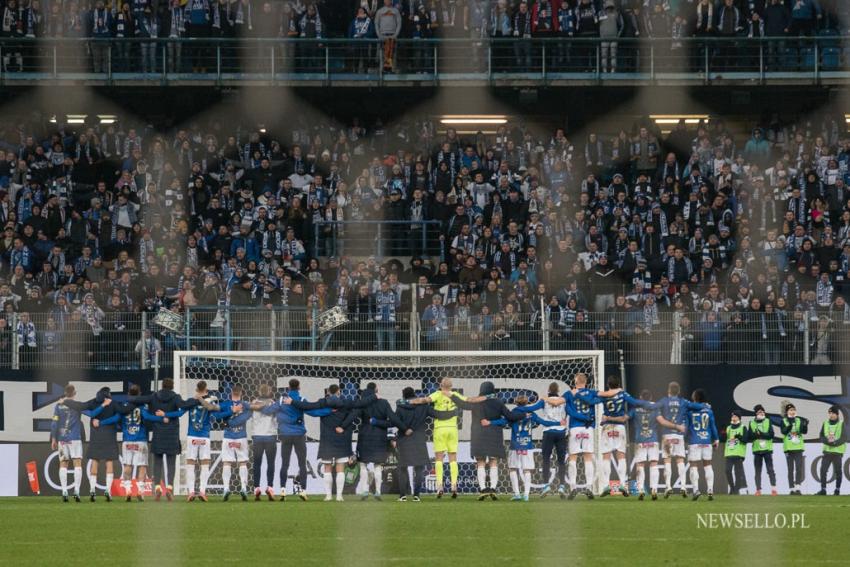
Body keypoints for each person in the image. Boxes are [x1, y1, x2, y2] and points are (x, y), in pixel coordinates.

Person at [93, 384, 178, 502]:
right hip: (140, 441)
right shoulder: (142, 407)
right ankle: (140, 491)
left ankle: (128, 489)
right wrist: (161, 418)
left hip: (127, 441)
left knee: (128, 466)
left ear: (129, 394)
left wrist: (101, 422)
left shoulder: (123, 407)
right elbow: (148, 417)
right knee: (142, 466)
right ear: (139, 395)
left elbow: (115, 418)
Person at [127, 378, 203, 501]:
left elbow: (138, 400)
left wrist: (130, 398)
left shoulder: (153, 397)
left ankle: (157, 487)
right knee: (171, 463)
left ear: (162, 386)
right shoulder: (176, 397)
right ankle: (169, 488)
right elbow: (183, 406)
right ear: (172, 386)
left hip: (158, 433)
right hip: (172, 433)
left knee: (157, 463)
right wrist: (196, 400)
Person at [284, 385, 358, 502]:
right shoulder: (346, 402)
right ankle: (339, 496)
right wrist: (343, 426)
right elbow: (356, 411)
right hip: (342, 438)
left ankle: (328, 496)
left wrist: (292, 401)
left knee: (327, 468)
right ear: (339, 392)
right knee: (340, 469)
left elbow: (307, 406)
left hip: (327, 439)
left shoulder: (323, 402)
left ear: (328, 392)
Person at [484, 395, 563, 501]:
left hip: (515, 445)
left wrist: (490, 422)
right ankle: (526, 495)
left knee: (513, 469)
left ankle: (517, 494)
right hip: (528, 445)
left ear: (516, 403)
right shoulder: (531, 414)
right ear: (527, 403)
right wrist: (558, 423)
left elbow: (503, 422)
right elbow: (544, 422)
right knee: (527, 470)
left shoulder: (513, 413)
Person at [260, 378, 327, 500]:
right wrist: (328, 411)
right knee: (302, 463)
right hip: (299, 435)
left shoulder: (281, 400)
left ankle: (283, 491)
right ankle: (303, 491)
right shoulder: (301, 400)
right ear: (299, 387)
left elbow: (268, 411)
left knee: (285, 463)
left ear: (289, 387)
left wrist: (259, 406)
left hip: (285, 435)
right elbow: (313, 413)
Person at [450, 381, 517, 500]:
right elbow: (510, 417)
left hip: (478, 434)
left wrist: (451, 395)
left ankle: (482, 489)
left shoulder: (477, 402)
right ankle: (493, 488)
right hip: (494, 434)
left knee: (480, 462)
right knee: (493, 461)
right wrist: (523, 415)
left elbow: (462, 404)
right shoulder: (498, 402)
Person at [542, 372, 603, 499]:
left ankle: (573, 488)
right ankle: (589, 487)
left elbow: (557, 402)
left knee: (573, 458)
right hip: (588, 428)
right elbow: (601, 398)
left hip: (575, 428)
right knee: (588, 457)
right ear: (586, 382)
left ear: (575, 382)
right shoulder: (591, 392)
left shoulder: (569, 393)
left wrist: (544, 398)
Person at [595, 376, 654, 497]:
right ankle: (622, 483)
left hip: (607, 427)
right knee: (621, 455)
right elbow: (635, 402)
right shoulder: (623, 394)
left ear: (608, 385)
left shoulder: (604, 395)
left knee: (606, 456)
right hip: (619, 427)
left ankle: (606, 484)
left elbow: (593, 401)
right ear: (619, 385)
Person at [394, 387, 456, 502]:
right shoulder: (423, 406)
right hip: (419, 440)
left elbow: (395, 421)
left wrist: (404, 429)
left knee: (402, 468)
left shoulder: (400, 408)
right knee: (419, 468)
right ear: (415, 395)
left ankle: (402, 495)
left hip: (403, 440)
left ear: (404, 396)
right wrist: (453, 412)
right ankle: (417, 495)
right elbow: (438, 414)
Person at [410, 377, 468, 498]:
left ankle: (440, 486)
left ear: (441, 386)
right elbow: (467, 401)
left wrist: (413, 401)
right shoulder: (455, 395)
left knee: (439, 459)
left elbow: (426, 400)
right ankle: (453, 485)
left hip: (440, 429)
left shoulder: (437, 394)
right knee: (453, 458)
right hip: (452, 428)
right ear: (451, 387)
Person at [60, 387, 120, 502]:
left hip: (96, 436)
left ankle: (92, 490)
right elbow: (118, 416)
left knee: (95, 461)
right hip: (109, 436)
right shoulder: (113, 403)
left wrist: (66, 401)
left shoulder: (93, 402)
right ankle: (108, 490)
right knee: (109, 462)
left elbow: (81, 406)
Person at [50, 385, 109, 502]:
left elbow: (54, 423)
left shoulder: (58, 406)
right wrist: (103, 405)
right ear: (74, 393)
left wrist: (53, 438)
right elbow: (92, 414)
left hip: (62, 439)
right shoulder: (78, 406)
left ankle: (64, 491)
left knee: (63, 464)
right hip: (75, 438)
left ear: (65, 393)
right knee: (77, 463)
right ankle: (76, 491)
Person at [512, 382, 568, 498]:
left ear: (548, 390)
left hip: (548, 432)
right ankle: (562, 486)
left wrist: (518, 408)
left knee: (546, 459)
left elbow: (531, 408)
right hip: (561, 432)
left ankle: (546, 485)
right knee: (561, 460)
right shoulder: (563, 401)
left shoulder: (544, 400)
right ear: (558, 390)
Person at [354, 382, 409, 501]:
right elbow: (393, 421)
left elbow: (353, 417)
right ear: (376, 389)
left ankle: (364, 491)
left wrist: (343, 426)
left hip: (364, 436)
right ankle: (378, 491)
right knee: (378, 465)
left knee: (363, 464)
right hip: (380, 437)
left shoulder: (362, 403)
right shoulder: (383, 403)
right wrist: (404, 428)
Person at [215, 384, 252, 501]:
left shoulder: (225, 404)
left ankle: (226, 488)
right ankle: (244, 488)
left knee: (227, 463)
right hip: (241, 437)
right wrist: (233, 411)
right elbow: (248, 415)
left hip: (228, 437)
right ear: (241, 393)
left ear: (231, 393)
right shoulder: (245, 405)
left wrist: (230, 418)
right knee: (242, 463)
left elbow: (216, 416)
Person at [656, 381, 691, 498]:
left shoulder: (663, 401)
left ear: (668, 390)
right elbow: (694, 406)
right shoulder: (683, 402)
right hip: (679, 435)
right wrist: (704, 405)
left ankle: (668, 486)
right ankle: (683, 487)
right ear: (679, 391)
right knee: (680, 461)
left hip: (667, 435)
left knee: (667, 460)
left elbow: (653, 407)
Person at [685, 389, 718, 501]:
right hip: (706, 441)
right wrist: (716, 439)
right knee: (708, 465)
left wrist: (685, 438)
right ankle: (710, 490)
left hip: (694, 441)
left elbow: (686, 427)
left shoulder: (689, 411)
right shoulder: (709, 410)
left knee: (693, 465)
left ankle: (696, 490)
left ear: (695, 398)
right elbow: (712, 426)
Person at [249, 384, 278, 501]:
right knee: (271, 463)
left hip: (257, 436)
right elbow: (277, 418)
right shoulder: (273, 403)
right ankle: (270, 487)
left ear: (259, 391)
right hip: (270, 436)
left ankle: (256, 488)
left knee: (257, 463)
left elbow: (250, 416)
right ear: (270, 391)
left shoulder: (254, 403)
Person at [630, 390, 661, 500]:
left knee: (640, 465)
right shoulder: (655, 407)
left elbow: (627, 417)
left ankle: (641, 489)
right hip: (653, 439)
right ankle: (654, 489)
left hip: (640, 440)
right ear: (651, 398)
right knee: (654, 464)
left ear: (640, 397)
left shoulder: (635, 407)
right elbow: (660, 420)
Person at [749, 404, 778, 496]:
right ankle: (758, 490)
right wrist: (755, 435)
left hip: (767, 449)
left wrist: (761, 434)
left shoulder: (768, 421)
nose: (761, 413)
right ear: (756, 414)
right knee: (757, 471)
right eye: (759, 412)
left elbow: (771, 435)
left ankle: (773, 489)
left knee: (770, 470)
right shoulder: (752, 423)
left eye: (762, 411)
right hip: (757, 450)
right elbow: (749, 436)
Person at [780, 402, 808, 495]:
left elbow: (804, 432)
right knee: (790, 469)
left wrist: (805, 425)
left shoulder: (798, 420)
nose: (792, 411)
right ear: (787, 411)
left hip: (798, 447)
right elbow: (783, 431)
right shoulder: (783, 420)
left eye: (794, 410)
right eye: (791, 410)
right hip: (788, 448)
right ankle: (791, 488)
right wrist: (790, 425)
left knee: (799, 468)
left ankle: (798, 487)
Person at [817, 405, 845, 496]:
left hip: (837, 452)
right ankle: (823, 490)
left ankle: (837, 490)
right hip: (827, 451)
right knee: (823, 470)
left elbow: (844, 437)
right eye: (830, 413)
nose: (831, 415)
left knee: (838, 471)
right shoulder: (825, 423)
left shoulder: (841, 423)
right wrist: (828, 442)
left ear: (837, 414)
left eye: (833, 413)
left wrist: (835, 443)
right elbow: (821, 436)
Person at [723, 411, 748, 495]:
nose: (733, 418)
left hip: (738, 453)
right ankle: (732, 487)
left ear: (739, 418)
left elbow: (745, 440)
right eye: (732, 416)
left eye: (735, 416)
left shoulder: (743, 427)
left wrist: (739, 436)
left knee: (738, 473)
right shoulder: (729, 428)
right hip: (729, 453)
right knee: (727, 470)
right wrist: (722, 434)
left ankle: (736, 489)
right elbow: (724, 439)